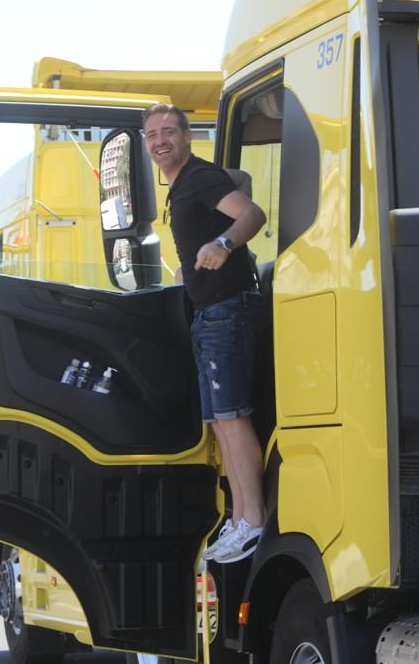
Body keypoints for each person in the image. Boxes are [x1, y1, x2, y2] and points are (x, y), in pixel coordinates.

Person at [142, 103, 269, 564]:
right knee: (220, 421)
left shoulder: (199, 176)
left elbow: (251, 214)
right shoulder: (182, 187)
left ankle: (253, 520)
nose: (160, 141)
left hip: (227, 311)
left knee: (233, 417)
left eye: (169, 131)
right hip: (209, 312)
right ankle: (239, 521)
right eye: (153, 134)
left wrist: (223, 243)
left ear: (187, 135)